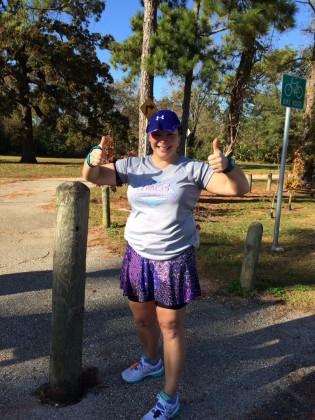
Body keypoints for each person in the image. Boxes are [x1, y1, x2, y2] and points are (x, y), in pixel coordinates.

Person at [82, 110, 249, 419]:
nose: (163, 140)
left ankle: (169, 399)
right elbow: (92, 177)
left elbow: (240, 188)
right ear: (149, 137)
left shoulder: (194, 169)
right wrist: (92, 158)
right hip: (137, 255)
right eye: (157, 135)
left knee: (170, 326)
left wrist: (229, 166)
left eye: (169, 134)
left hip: (173, 259)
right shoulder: (134, 166)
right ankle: (150, 361)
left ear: (179, 135)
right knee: (143, 320)